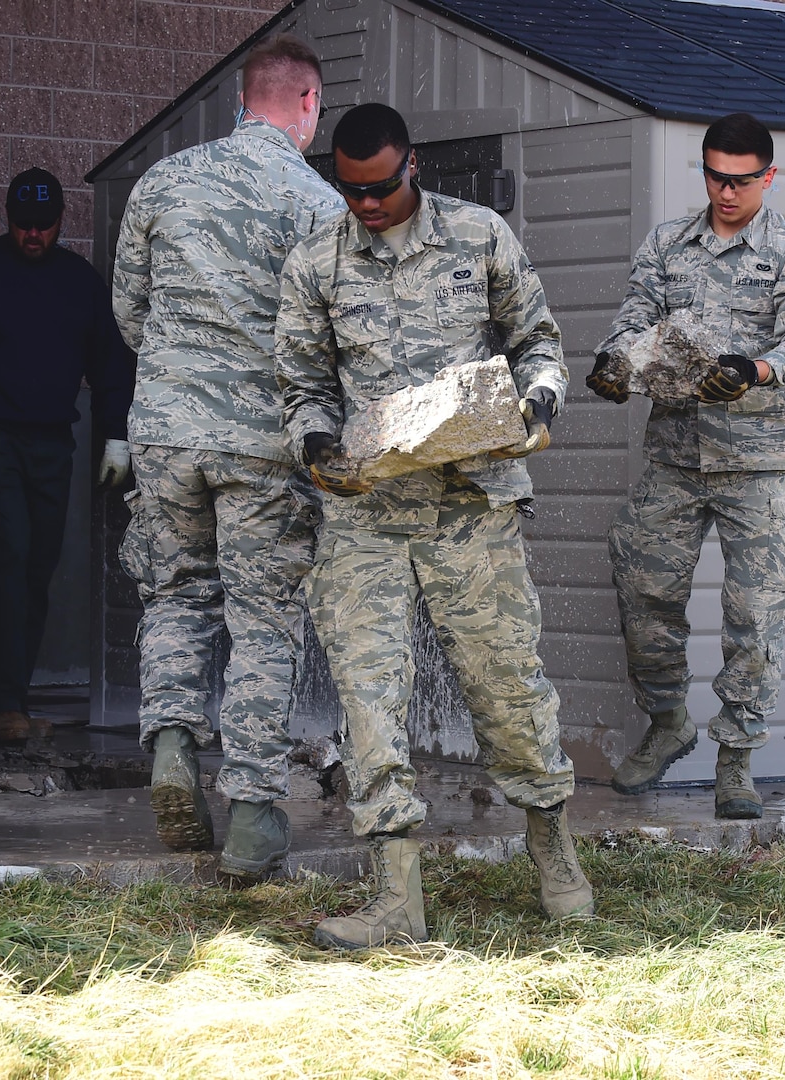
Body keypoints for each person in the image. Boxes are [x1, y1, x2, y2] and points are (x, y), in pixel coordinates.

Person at [275, 102, 594, 949]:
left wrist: (537, 401)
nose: (367, 206)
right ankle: (395, 897)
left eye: (379, 188)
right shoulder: (317, 260)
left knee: (508, 689)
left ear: (411, 166)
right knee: (370, 702)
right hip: (366, 516)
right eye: (349, 191)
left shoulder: (479, 235)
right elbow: (301, 381)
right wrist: (311, 440)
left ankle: (554, 854)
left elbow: (540, 340)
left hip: (469, 509)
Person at [111, 34, 345, 876]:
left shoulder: (163, 180)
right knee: (262, 623)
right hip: (262, 445)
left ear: (242, 99)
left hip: (166, 432)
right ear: (309, 105)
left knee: (175, 594)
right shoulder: (319, 206)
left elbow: (130, 313)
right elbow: (332, 340)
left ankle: (173, 742)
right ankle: (251, 813)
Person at [587, 112, 785, 818]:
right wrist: (614, 362)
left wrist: (754, 370)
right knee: (642, 588)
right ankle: (668, 721)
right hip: (676, 457)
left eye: (742, 180)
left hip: (759, 466)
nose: (727, 193)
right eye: (715, 177)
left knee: (755, 616)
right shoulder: (669, 244)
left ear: (768, 175)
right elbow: (633, 316)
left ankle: (737, 759)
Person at [0, 167, 135, 742]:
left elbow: (112, 366)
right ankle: (0, 703)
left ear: (61, 221)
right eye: (22, 225)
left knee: (37, 566)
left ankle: (10, 693)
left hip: (51, 443)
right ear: (6, 219)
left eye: (44, 225)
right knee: (7, 562)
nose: (32, 235)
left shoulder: (78, 283)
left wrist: (116, 434)